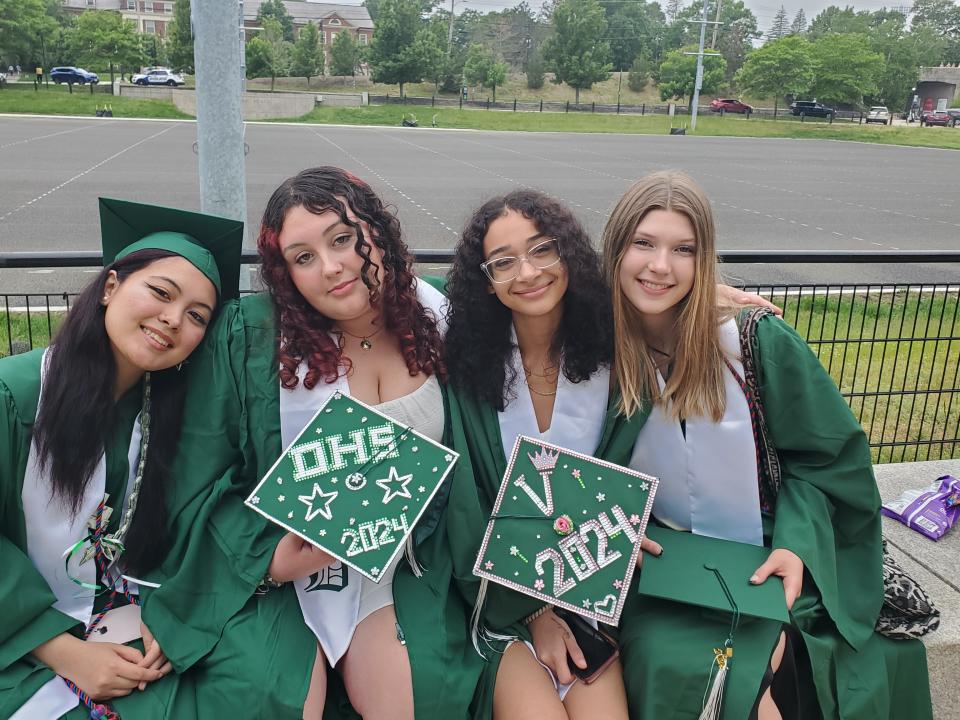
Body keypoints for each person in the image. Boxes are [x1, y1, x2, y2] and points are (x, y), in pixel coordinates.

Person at [601, 170, 932, 720]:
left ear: (704, 261)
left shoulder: (754, 341)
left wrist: (797, 546)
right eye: (643, 243)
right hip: (658, 560)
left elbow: (828, 463)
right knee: (667, 658)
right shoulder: (596, 347)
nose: (661, 266)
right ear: (615, 249)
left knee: (761, 664)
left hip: (770, 545)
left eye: (684, 249)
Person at [441, 189, 776, 720]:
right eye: (503, 262)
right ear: (485, 279)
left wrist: (708, 294)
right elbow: (464, 509)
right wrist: (532, 614)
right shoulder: (463, 367)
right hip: (498, 604)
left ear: (569, 254)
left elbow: (656, 295)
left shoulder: (616, 351)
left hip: (590, 593)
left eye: (542, 250)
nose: (527, 273)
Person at [168, 166, 486, 719]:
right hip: (287, 565)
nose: (331, 268)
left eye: (342, 239)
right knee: (280, 699)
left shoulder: (439, 318)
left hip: (400, 564)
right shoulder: (256, 341)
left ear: (378, 232)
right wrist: (266, 559)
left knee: (416, 702)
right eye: (303, 257)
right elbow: (200, 469)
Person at [0, 199, 243, 718]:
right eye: (160, 292)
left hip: (121, 611)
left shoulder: (173, 416)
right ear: (111, 287)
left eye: (197, 316)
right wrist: (61, 650)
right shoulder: (15, 396)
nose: (173, 320)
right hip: (22, 636)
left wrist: (172, 612)